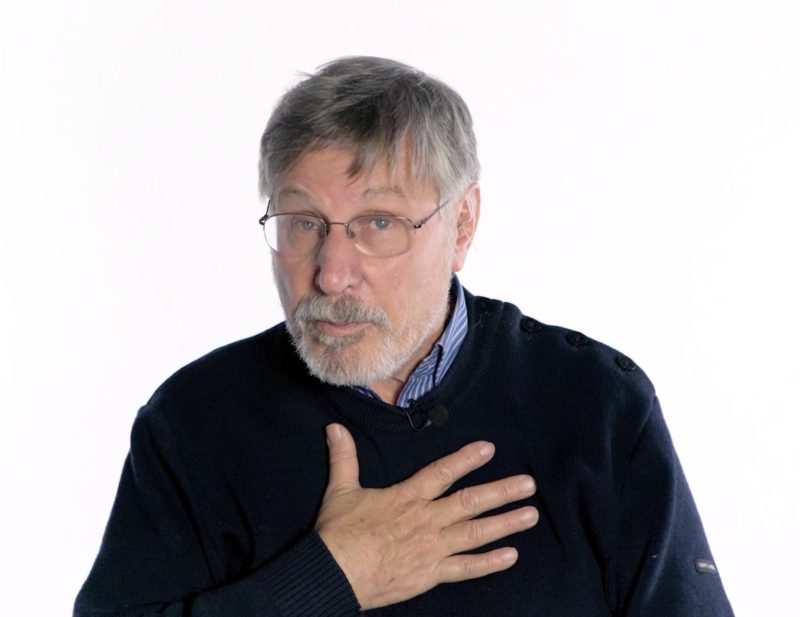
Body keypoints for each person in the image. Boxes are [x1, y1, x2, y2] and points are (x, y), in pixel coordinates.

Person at [75, 56, 734, 616]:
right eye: (303, 222)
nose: (331, 273)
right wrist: (328, 579)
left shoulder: (596, 404)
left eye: (379, 223)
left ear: (463, 224)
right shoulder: (195, 423)